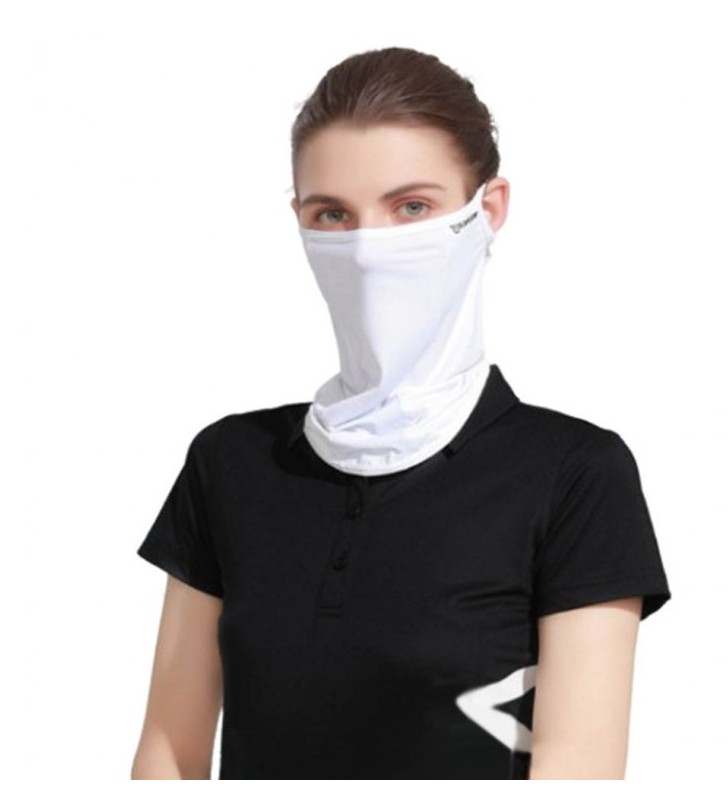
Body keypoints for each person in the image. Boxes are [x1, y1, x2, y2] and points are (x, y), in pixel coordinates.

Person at [131, 46, 671, 780]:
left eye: (412, 207)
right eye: (333, 214)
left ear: (488, 210)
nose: (367, 249)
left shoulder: (573, 474)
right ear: (299, 219)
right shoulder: (229, 462)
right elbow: (169, 751)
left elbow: (578, 772)